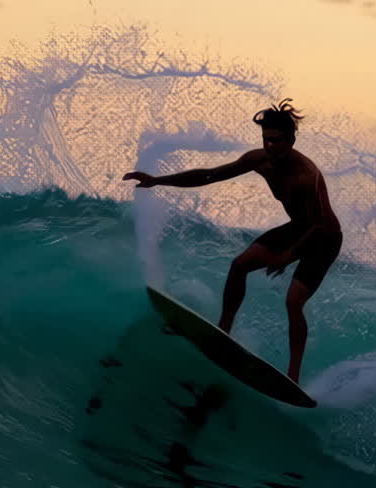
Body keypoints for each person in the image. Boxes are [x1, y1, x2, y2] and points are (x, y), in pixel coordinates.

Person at [123, 99, 343, 384]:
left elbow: (319, 225)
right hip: (298, 227)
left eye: (276, 141)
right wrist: (157, 180)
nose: (270, 146)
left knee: (293, 302)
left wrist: (287, 256)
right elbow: (209, 175)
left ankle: (293, 376)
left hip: (324, 237)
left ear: (291, 140)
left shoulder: (306, 175)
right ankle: (224, 330)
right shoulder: (259, 160)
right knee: (239, 266)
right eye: (266, 140)